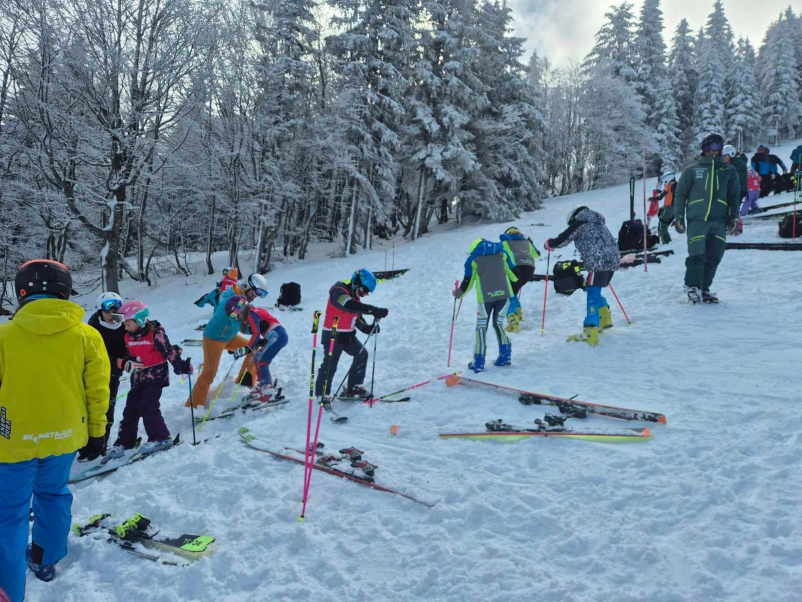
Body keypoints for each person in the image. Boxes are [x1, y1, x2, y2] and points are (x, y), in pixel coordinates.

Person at [0, 260, 109, 601]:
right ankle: (45, 560)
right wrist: (97, 431)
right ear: (65, 290)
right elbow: (98, 389)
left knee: (9, 515)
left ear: (21, 293)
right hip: (64, 440)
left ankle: (9, 590)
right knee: (53, 496)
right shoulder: (87, 335)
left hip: (11, 442)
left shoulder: (4, 335)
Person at [106, 301, 192, 458]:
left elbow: (170, 351)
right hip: (138, 378)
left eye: (128, 323)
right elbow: (128, 356)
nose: (125, 327)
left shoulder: (156, 334)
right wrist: (127, 363)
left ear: (139, 320)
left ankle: (161, 438)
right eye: (125, 324)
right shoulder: (128, 337)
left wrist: (181, 366)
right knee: (130, 409)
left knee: (148, 406)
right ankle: (126, 442)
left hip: (156, 376)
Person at [673, 133, 740, 304]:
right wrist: (679, 215)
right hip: (697, 220)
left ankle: (704, 288)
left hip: (719, 221)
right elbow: (680, 194)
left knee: (715, 256)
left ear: (720, 149)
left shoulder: (728, 171)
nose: (711, 151)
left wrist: (734, 217)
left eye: (715, 147)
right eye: (707, 147)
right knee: (697, 255)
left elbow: (734, 196)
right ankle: (692, 287)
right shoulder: (692, 170)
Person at [186, 275, 268, 408]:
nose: (257, 296)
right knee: (209, 374)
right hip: (213, 338)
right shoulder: (234, 300)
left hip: (229, 337)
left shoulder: (242, 299)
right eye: (257, 292)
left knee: (254, 348)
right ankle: (193, 407)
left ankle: (245, 380)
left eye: (261, 294)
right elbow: (237, 325)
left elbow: (241, 324)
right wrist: (255, 332)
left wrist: (257, 334)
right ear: (247, 287)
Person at [544, 207, 619, 346]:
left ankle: (591, 328)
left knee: (592, 291)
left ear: (574, 216)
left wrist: (549, 244)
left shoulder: (580, 223)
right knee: (593, 288)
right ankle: (605, 319)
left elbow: (564, 238)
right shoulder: (599, 223)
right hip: (613, 260)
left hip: (598, 261)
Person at [315, 269, 387, 401]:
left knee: (361, 354)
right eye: (363, 291)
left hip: (348, 336)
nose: (364, 295)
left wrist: (368, 328)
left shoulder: (356, 299)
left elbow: (358, 319)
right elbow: (348, 305)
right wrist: (372, 309)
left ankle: (354, 387)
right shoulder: (338, 291)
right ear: (356, 284)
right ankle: (322, 394)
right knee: (330, 364)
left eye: (366, 293)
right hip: (333, 334)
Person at [453, 239, 517, 371]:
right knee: (498, 324)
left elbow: (468, 281)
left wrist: (458, 294)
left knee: (481, 327)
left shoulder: (473, 259)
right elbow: (514, 274)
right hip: (504, 295)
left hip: (486, 298)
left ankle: (479, 361)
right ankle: (505, 356)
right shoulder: (502, 254)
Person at [77, 292, 128, 459]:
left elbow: (135, 341)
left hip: (113, 375)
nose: (112, 317)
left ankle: (102, 443)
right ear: (100, 311)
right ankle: (85, 444)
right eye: (107, 312)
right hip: (92, 375)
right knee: (90, 408)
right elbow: (92, 355)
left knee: (108, 407)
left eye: (115, 312)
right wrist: (117, 362)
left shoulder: (124, 326)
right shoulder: (92, 330)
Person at [241, 306, 288, 403]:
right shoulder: (253, 313)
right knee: (258, 357)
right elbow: (264, 326)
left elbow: (256, 332)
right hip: (273, 336)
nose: (244, 322)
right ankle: (262, 385)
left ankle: (268, 390)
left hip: (277, 335)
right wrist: (261, 341)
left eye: (237, 315)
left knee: (263, 362)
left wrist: (248, 347)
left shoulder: (251, 313)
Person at [499, 227, 540, 333]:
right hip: (529, 269)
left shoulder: (505, 241)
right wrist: (531, 243)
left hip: (515, 268)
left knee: (508, 293)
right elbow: (537, 254)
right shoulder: (526, 242)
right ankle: (518, 312)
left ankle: (512, 319)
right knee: (513, 290)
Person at [654, 172, 677, 244]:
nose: (665, 183)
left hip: (669, 208)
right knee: (663, 226)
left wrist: (651, 199)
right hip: (673, 208)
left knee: (662, 228)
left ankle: (667, 243)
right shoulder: (676, 185)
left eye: (665, 181)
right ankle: (667, 242)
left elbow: (660, 197)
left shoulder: (670, 186)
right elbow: (669, 193)